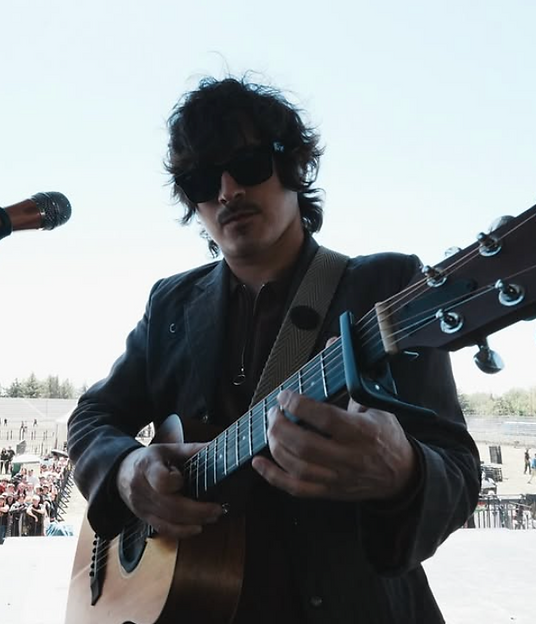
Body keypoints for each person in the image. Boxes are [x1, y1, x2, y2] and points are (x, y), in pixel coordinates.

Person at [67, 76, 480, 623]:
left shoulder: (384, 289)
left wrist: (402, 470)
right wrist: (124, 471)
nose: (227, 190)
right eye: (200, 179)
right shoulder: (170, 304)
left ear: (295, 164)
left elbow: (456, 468)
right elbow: (93, 415)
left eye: (249, 163)